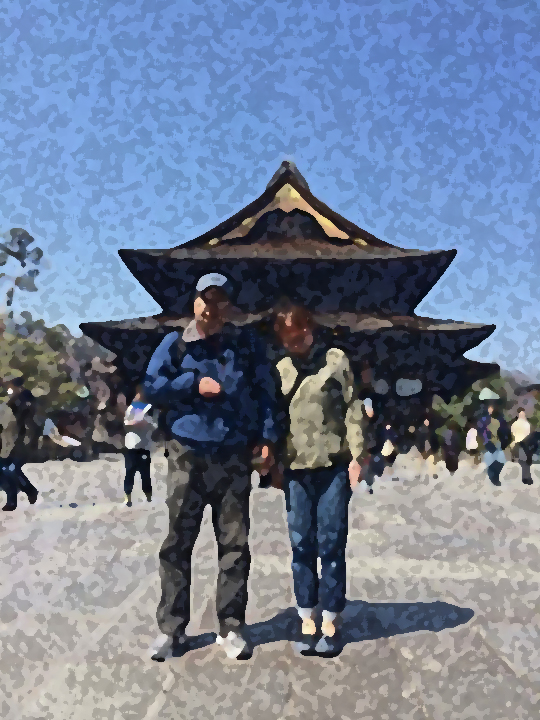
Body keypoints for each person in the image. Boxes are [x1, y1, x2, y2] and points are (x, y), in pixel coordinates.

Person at [143, 273, 280, 662]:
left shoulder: (245, 346)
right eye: (205, 298)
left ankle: (231, 625)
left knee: (234, 544)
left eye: (219, 300)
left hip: (233, 454)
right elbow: (151, 386)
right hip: (186, 453)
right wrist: (191, 384)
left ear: (228, 307)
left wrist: (267, 438)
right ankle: (172, 630)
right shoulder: (175, 345)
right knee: (177, 543)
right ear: (194, 302)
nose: (210, 307)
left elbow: (267, 393)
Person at [271, 303, 365, 658]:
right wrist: (271, 461)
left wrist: (357, 456)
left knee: (332, 542)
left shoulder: (336, 361)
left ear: (311, 329)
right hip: (295, 468)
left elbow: (353, 408)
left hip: (333, 466)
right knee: (301, 544)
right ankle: (306, 615)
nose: (296, 344)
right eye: (288, 339)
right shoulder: (280, 369)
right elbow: (274, 417)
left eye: (300, 336)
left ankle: (331, 619)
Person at [1, 378, 39, 510]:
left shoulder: (24, 401)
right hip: (13, 439)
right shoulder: (15, 400)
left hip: (20, 440)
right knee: (11, 469)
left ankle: (14, 499)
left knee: (9, 469)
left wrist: (30, 440)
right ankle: (29, 491)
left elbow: (29, 423)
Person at [123, 392, 155, 506]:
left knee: (145, 474)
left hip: (144, 447)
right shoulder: (130, 410)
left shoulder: (149, 411)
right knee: (129, 473)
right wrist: (135, 423)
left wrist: (146, 423)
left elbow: (154, 426)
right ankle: (127, 498)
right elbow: (126, 424)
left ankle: (149, 497)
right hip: (131, 447)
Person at [510, 408, 533, 485]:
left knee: (523, 461)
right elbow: (529, 434)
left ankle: (526, 477)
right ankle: (526, 477)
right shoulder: (527, 424)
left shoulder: (514, 424)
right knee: (525, 461)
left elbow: (513, 433)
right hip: (524, 444)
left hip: (518, 443)